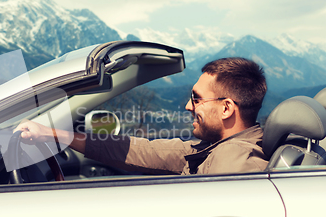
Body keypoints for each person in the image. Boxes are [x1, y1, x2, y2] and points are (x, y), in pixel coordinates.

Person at [14, 57, 268, 175]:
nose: (188, 106)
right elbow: (140, 149)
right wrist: (52, 134)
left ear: (226, 108)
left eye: (197, 98)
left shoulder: (237, 163)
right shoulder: (213, 148)